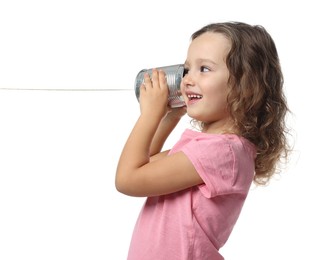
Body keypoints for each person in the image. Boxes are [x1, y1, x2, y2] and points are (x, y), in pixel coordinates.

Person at [115, 21, 290, 260]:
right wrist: (168, 117)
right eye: (187, 69)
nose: (187, 79)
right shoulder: (207, 147)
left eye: (204, 69)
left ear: (245, 87)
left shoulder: (222, 152)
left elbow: (128, 179)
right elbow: (144, 164)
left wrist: (149, 115)